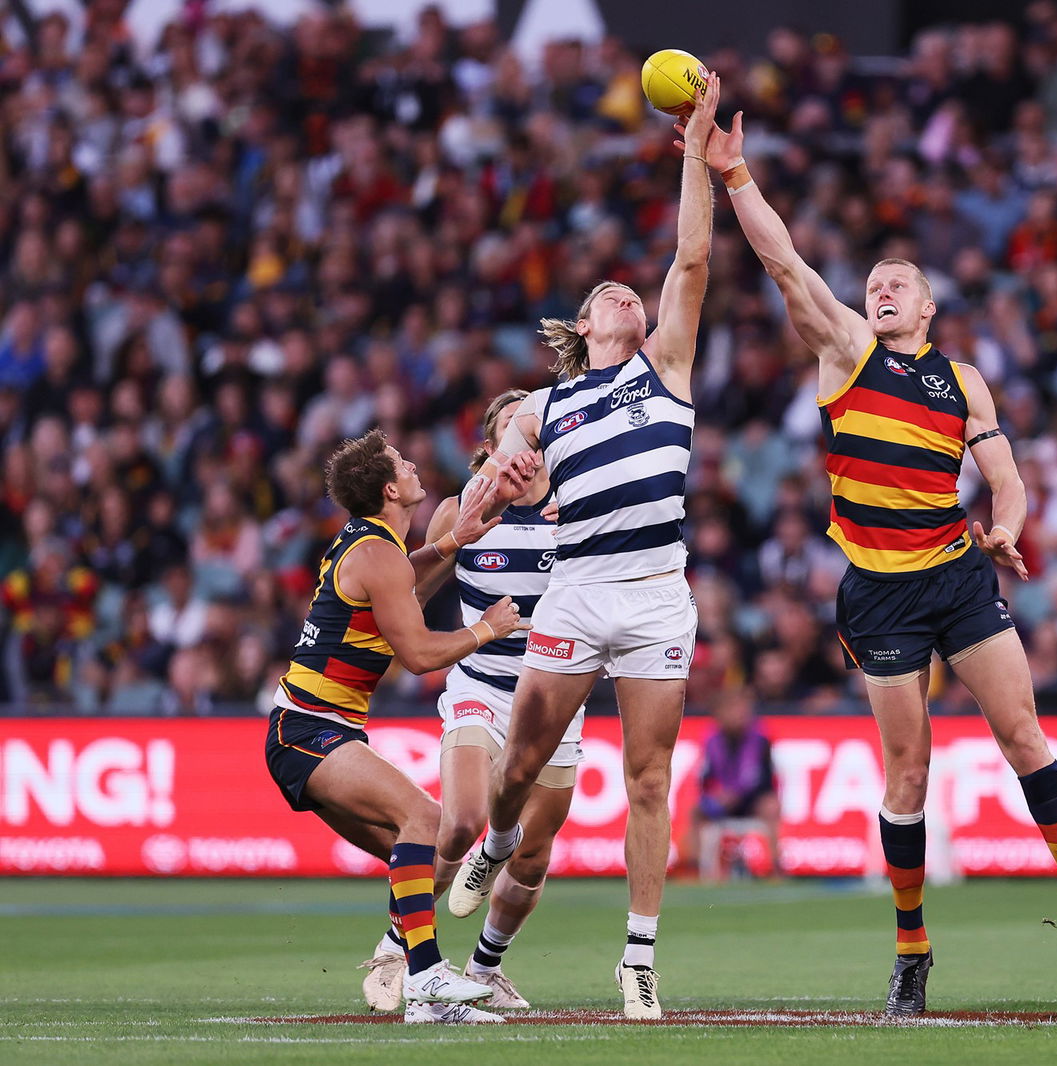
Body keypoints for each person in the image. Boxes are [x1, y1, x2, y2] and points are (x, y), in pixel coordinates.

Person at [701, 104, 1057, 1016]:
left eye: (901, 281)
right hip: (879, 594)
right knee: (907, 774)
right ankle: (912, 951)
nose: (883, 286)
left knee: (1024, 738)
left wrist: (1007, 524)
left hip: (956, 573)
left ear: (929, 307)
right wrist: (736, 175)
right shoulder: (847, 350)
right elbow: (783, 259)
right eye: (875, 280)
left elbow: (1004, 477)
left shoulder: (962, 378)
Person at [447, 74, 722, 1021]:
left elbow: (691, 254)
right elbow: (489, 489)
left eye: (630, 292)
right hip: (573, 593)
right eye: (605, 291)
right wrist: (501, 488)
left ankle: (638, 957)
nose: (622, 289)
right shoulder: (543, 406)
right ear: (585, 326)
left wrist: (693, 146)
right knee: (518, 772)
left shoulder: (668, 365)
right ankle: (493, 844)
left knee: (650, 778)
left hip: (654, 593)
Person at [264, 429, 536, 1024]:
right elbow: (418, 656)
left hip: (307, 727)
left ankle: (425, 1001)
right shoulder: (378, 553)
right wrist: (487, 629)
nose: (416, 466)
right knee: (428, 822)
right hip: (308, 728)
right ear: (391, 489)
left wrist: (451, 544)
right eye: (404, 464)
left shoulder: (371, 545)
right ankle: (432, 977)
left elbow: (402, 584)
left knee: (410, 856)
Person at [357, 390, 586, 1013]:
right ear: (489, 449)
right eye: (512, 435)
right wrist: (451, 550)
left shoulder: (577, 512)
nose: (525, 449)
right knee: (459, 822)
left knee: (533, 854)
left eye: (534, 437)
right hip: (479, 685)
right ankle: (392, 947)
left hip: (554, 695)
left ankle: (485, 968)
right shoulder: (459, 510)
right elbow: (412, 587)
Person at [679, 686, 780, 878]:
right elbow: (705, 776)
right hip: (722, 799)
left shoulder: (760, 736)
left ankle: (775, 866)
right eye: (734, 709)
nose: (740, 714)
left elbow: (760, 777)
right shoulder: (711, 739)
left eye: (743, 708)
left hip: (753, 799)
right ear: (719, 714)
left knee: (771, 807)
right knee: (695, 811)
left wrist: (734, 794)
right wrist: (716, 794)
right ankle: (693, 866)